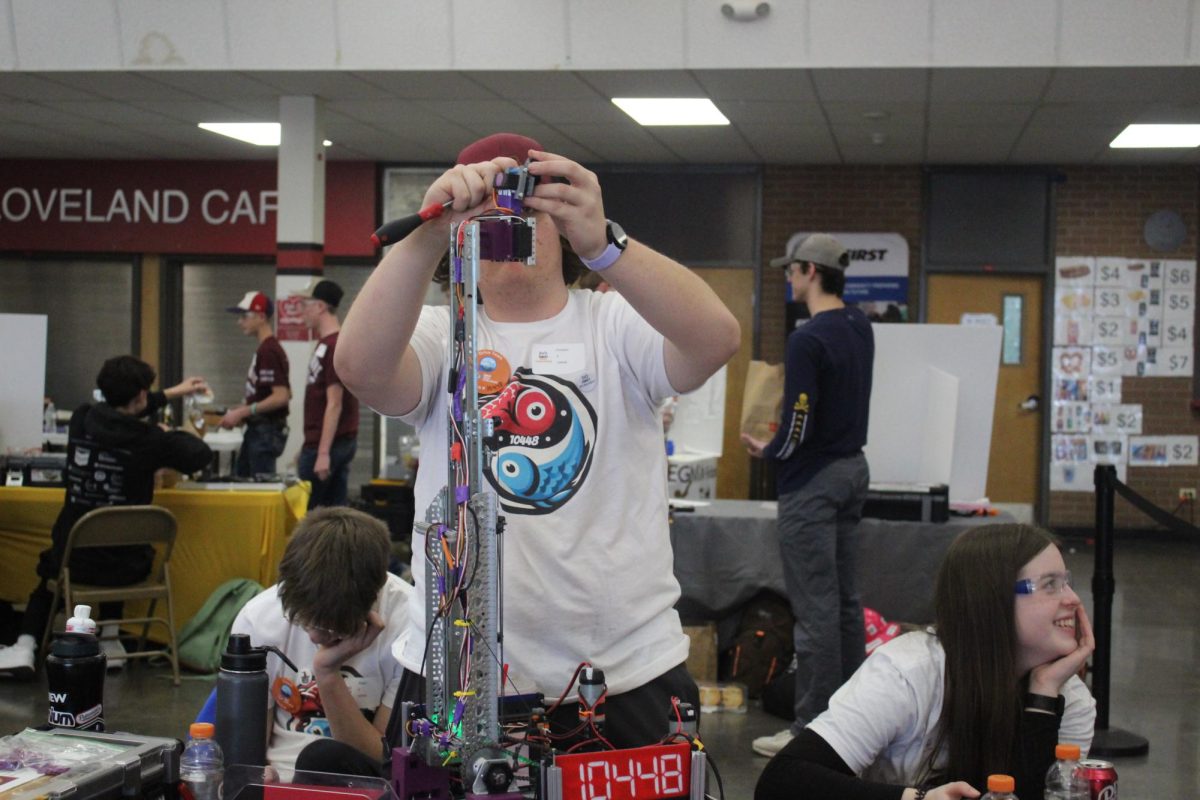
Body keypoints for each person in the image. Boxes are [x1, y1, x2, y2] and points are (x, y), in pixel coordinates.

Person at [335, 132, 740, 748]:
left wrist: (605, 243)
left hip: (622, 676)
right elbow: (360, 368)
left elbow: (716, 338)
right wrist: (428, 234)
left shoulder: (612, 322)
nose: (512, 225)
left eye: (530, 206)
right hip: (458, 673)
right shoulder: (442, 331)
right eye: (491, 214)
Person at [755, 523, 1097, 800]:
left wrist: (1042, 697)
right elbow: (782, 781)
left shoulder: (1069, 697)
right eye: (1050, 585)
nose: (1072, 599)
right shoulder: (909, 672)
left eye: (1066, 582)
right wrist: (914, 799)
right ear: (991, 599)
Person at [741, 233, 874, 757]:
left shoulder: (808, 338)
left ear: (810, 272)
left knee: (815, 608)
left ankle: (811, 732)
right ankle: (859, 716)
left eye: (791, 271)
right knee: (844, 601)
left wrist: (769, 451)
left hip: (812, 482)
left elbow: (798, 420)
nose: (788, 280)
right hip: (852, 471)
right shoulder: (859, 325)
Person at [0, 356, 212, 679]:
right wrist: (164, 431)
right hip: (128, 566)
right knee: (118, 546)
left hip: (73, 560)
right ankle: (111, 640)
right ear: (141, 396)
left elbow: (117, 413)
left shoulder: (81, 420)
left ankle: (25, 646)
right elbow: (200, 455)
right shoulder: (150, 440)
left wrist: (167, 396)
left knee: (53, 569)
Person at [230, 506, 411, 773]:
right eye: (305, 622)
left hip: (363, 781)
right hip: (282, 779)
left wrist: (327, 674)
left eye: (331, 630)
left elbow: (385, 763)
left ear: (373, 598)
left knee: (322, 758)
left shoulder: (408, 626)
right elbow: (246, 751)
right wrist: (257, 772)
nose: (314, 636)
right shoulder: (258, 619)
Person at [294, 278, 359, 509]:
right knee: (331, 512)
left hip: (331, 445)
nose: (301, 311)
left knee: (312, 515)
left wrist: (322, 453)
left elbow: (334, 403)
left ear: (320, 306)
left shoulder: (334, 346)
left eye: (305, 305)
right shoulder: (327, 344)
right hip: (325, 443)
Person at [220, 291, 291, 478]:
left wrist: (244, 412)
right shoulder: (265, 349)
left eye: (244, 316)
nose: (239, 322)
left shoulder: (269, 350)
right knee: (243, 480)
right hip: (259, 430)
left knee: (258, 488)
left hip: (265, 431)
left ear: (261, 317)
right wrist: (242, 409)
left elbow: (281, 396)